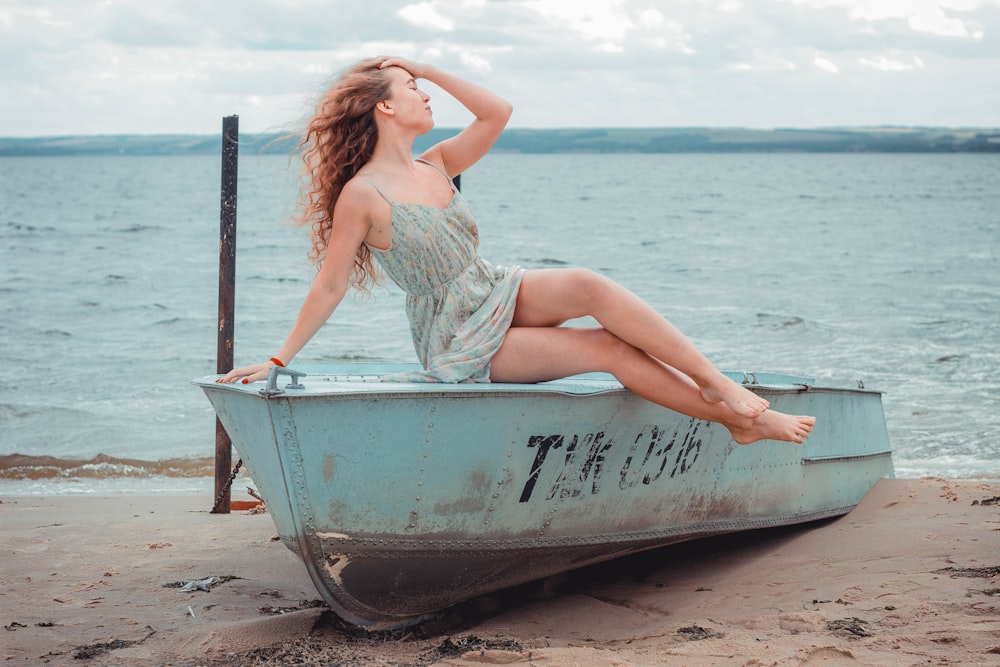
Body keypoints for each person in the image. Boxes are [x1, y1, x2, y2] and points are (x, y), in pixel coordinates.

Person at [219, 56, 815, 445]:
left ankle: (717, 383)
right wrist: (277, 360)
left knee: (588, 285)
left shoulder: (440, 162)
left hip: (492, 287)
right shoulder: (363, 195)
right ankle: (738, 420)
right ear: (385, 106)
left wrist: (424, 66)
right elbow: (330, 284)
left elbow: (497, 111)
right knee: (604, 347)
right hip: (455, 334)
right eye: (414, 91)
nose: (427, 98)